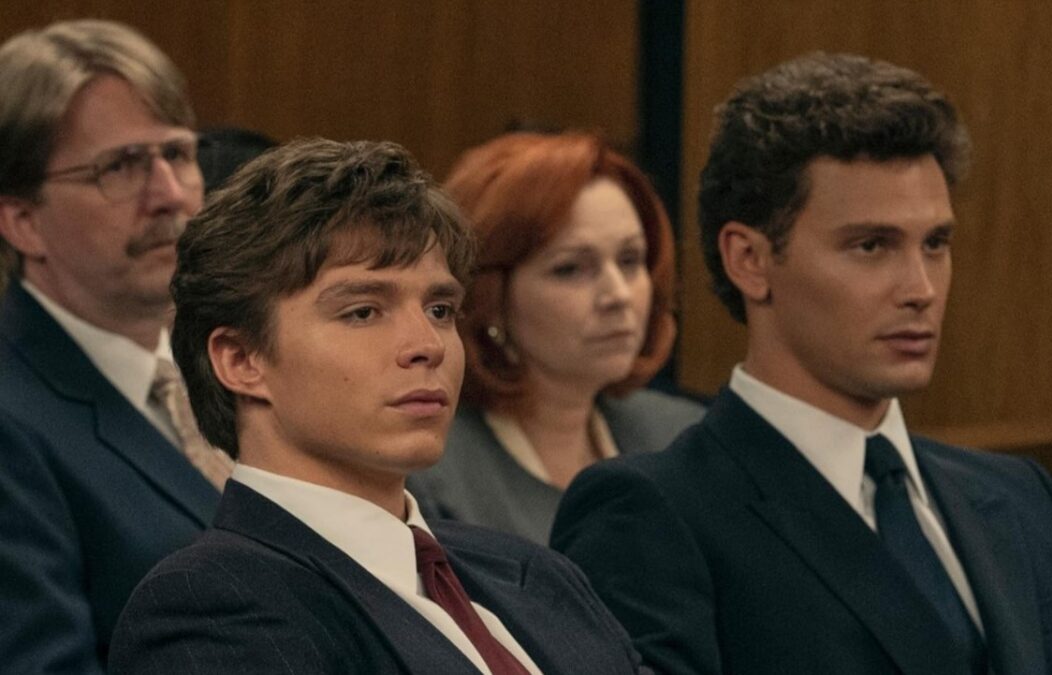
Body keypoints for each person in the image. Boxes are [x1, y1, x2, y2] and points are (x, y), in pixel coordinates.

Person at [550, 52, 1052, 675]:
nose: (921, 289)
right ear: (750, 260)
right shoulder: (653, 514)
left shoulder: (1015, 495)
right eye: (872, 246)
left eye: (935, 243)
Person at [108, 138, 647, 675]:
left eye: (440, 309)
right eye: (363, 312)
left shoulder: (536, 571)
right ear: (241, 359)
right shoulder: (212, 604)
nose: (428, 345)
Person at [0, 20, 227, 673]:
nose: (169, 196)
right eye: (121, 167)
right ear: (22, 221)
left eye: (178, 154)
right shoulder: (12, 424)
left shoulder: (243, 361)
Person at [407, 132, 704, 544]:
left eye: (630, 260)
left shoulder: (683, 438)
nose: (618, 295)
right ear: (488, 298)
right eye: (570, 269)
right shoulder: (430, 471)